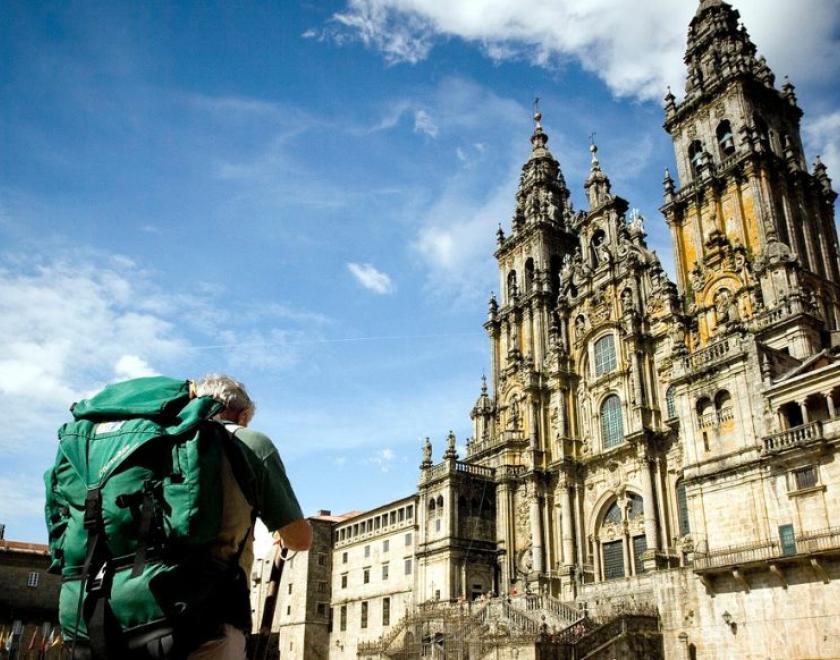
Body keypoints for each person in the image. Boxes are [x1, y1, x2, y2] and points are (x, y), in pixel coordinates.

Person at [189, 374, 313, 659]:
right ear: (243, 415)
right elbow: (300, 538)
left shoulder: (161, 440)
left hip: (118, 607)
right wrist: (281, 532)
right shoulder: (248, 441)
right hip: (210, 611)